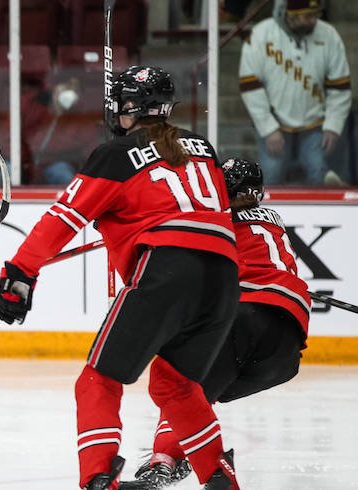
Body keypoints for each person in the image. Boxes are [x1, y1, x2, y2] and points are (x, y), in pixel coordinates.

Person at [0, 66, 241, 490]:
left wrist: (20, 271)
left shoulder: (115, 155)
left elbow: (64, 217)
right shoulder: (204, 148)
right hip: (222, 277)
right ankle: (219, 478)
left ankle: (98, 479)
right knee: (176, 386)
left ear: (128, 107)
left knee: (97, 381)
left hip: (166, 268)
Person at [120, 158, 310, 490]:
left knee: (180, 388)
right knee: (196, 395)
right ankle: (186, 455)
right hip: (286, 347)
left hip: (242, 319)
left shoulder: (215, 220)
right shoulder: (271, 222)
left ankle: (167, 464)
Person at [239, 0, 351, 185]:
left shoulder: (329, 34)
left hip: (316, 123)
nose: (314, 20)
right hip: (275, 125)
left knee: (319, 175)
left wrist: (333, 124)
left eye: (316, 14)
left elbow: (340, 86)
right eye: (308, 16)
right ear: (289, 14)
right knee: (270, 178)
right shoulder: (260, 34)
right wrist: (268, 128)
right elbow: (250, 86)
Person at [19, 74, 101, 185]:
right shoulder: (33, 106)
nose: (70, 93)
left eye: (75, 89)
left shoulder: (81, 118)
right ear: (55, 87)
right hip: (25, 165)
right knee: (8, 172)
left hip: (56, 166)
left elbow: (91, 154)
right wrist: (24, 161)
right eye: (66, 86)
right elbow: (10, 136)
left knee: (61, 172)